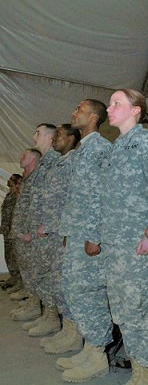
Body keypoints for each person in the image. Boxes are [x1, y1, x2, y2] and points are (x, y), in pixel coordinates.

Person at [102, 89, 148, 385]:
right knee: (126, 315)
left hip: (137, 247)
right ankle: (139, 379)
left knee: (141, 315)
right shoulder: (118, 148)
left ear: (135, 110)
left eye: (117, 103)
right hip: (116, 248)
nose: (110, 108)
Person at [49, 99, 112, 384]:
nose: (74, 112)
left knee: (89, 293)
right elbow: (76, 199)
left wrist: (92, 235)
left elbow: (101, 196)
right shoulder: (81, 151)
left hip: (88, 236)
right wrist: (68, 232)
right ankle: (89, 348)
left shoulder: (101, 149)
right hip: (75, 234)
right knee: (75, 292)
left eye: (80, 109)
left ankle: (98, 356)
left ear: (95, 117)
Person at [22, 124, 81, 339]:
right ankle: (51, 317)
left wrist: (49, 225)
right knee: (46, 277)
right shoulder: (47, 164)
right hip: (43, 229)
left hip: (55, 232)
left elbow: (67, 197)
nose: (34, 136)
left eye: (39, 133)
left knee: (58, 281)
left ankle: (67, 328)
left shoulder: (63, 160)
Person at [11, 124, 59, 322]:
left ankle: (51, 317)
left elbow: (56, 198)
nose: (33, 136)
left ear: (50, 137)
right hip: (35, 229)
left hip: (45, 232)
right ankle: (40, 309)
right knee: (35, 273)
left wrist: (45, 225)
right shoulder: (43, 166)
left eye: (38, 133)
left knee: (46, 275)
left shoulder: (55, 163)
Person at [9, 148, 42, 316]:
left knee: (34, 272)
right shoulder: (27, 179)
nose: (21, 157)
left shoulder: (38, 177)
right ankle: (31, 301)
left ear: (33, 159)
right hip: (21, 234)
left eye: (24, 155)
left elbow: (37, 208)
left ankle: (36, 306)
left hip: (30, 236)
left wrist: (30, 232)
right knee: (26, 272)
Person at [0, 174, 23, 292]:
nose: (10, 188)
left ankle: (18, 279)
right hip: (7, 231)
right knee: (9, 256)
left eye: (11, 185)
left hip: (13, 232)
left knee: (15, 257)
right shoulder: (10, 196)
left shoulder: (17, 198)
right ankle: (14, 276)